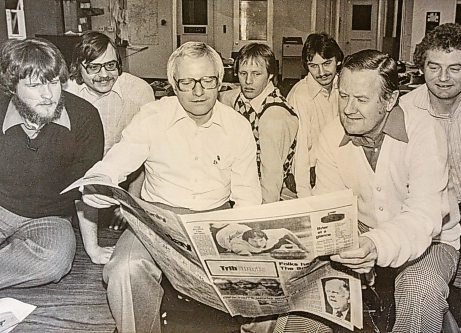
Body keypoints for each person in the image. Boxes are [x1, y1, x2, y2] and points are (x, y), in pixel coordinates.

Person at [81, 41, 262, 333]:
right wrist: (99, 179)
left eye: (207, 81)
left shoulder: (237, 127)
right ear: (173, 85)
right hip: (156, 220)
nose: (199, 91)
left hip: (215, 219)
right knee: (124, 269)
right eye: (187, 82)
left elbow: (248, 197)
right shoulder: (153, 117)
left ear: (220, 82)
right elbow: (118, 159)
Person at [277, 49, 460, 333]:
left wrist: (375, 245)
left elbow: (424, 214)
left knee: (419, 289)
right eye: (344, 96)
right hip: (359, 232)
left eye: (362, 99)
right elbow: (329, 208)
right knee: (307, 299)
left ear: (390, 100)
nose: (349, 109)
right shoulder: (331, 134)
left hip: (432, 238)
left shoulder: (424, 132)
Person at [0, 38, 104, 289]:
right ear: (12, 87)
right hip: (1, 206)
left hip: (51, 216)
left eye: (54, 82)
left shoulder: (85, 117)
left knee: (54, 263)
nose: (48, 95)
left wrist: (93, 249)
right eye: (35, 85)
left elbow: (86, 188)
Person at [400, 23, 461, 267]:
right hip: (457, 219)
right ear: (422, 68)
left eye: (454, 68)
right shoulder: (403, 111)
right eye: (434, 67)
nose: (443, 78)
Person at [65, 31, 155, 265]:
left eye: (110, 65)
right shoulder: (66, 93)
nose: (104, 75)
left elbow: (146, 154)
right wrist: (93, 248)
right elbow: (75, 168)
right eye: (93, 68)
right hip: (77, 183)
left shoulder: (140, 92)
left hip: (124, 184)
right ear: (78, 68)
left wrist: (131, 206)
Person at [219, 43, 298, 203]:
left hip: (271, 195)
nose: (248, 81)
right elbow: (224, 97)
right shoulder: (239, 97)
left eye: (256, 74)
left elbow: (271, 178)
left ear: (270, 75)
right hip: (241, 187)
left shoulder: (274, 116)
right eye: (243, 73)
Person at [287, 32, 344, 197]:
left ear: (337, 61)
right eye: (313, 66)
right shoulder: (300, 96)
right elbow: (301, 150)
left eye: (327, 63)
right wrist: (305, 195)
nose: (321, 72)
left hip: (337, 165)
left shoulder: (343, 87)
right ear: (306, 65)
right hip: (310, 172)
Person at [215, 223, 308, 256]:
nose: (259, 244)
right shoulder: (239, 245)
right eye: (254, 241)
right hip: (221, 234)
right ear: (247, 241)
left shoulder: (270, 235)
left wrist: (301, 245)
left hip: (238, 228)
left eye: (261, 240)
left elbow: (286, 231)